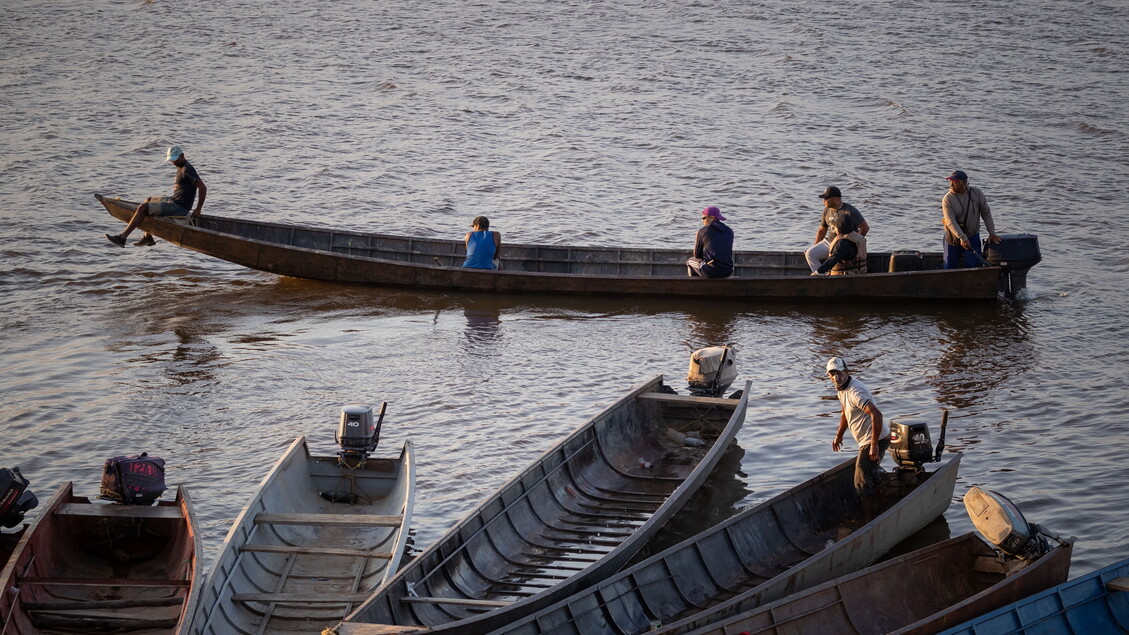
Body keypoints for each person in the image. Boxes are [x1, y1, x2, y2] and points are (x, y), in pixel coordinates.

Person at [106, 145, 206, 247]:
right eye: (171, 160)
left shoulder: (187, 169)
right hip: (173, 201)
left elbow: (202, 187)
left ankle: (122, 238)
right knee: (148, 200)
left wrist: (198, 208)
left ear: (182, 155)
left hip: (180, 208)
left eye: (175, 159)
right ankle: (148, 238)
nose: (173, 162)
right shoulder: (180, 167)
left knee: (142, 208)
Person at [826, 356, 890, 516]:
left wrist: (874, 445)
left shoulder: (855, 391)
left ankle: (870, 519)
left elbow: (877, 415)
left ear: (846, 372)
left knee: (860, 481)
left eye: (839, 373)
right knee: (871, 474)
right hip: (868, 440)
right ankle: (881, 508)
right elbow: (845, 413)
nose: (836, 377)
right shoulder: (841, 389)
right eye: (832, 374)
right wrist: (839, 435)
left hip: (876, 438)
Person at [942, 170, 1001, 269]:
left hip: (972, 236)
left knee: (973, 267)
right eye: (951, 182)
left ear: (964, 183)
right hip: (953, 238)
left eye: (955, 182)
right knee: (949, 268)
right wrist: (962, 238)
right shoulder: (947, 199)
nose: (951, 185)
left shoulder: (976, 193)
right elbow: (950, 221)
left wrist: (992, 232)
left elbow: (986, 212)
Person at [805, 186, 869, 275]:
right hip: (830, 243)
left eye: (826, 198)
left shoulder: (850, 210)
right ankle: (821, 276)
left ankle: (825, 272)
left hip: (845, 244)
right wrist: (815, 246)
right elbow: (822, 230)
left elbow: (864, 227)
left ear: (835, 199)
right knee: (810, 253)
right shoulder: (826, 210)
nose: (823, 201)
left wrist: (855, 243)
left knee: (839, 253)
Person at [686, 206, 734, 278]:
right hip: (728, 270)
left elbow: (697, 255)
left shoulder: (703, 231)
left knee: (690, 261)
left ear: (712, 218)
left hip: (711, 271)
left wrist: (697, 238)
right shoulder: (729, 231)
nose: (702, 221)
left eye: (704, 218)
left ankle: (695, 288)